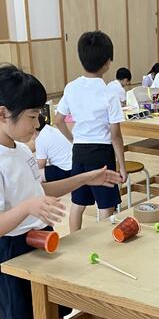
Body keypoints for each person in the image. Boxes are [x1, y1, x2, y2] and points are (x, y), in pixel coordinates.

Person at [0, 64, 122, 319]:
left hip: (39, 244)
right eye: (32, 116)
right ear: (3, 114)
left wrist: (86, 177)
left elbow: (41, 190)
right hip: (11, 255)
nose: (37, 124)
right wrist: (27, 207)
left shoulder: (21, 149)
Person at [54, 31, 127, 233]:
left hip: (79, 151)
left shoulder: (71, 87)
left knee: (78, 203)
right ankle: (103, 244)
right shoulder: (109, 93)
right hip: (101, 153)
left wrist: (73, 139)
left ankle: (74, 240)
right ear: (107, 62)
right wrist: (122, 166)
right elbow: (115, 136)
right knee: (105, 206)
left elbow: (58, 120)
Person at [33, 112, 72, 183]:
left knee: (35, 174)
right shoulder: (51, 130)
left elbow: (41, 165)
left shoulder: (40, 138)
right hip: (73, 166)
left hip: (65, 170)